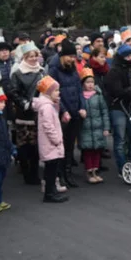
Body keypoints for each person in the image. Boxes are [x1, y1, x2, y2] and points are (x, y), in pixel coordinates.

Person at [104, 44, 131, 175]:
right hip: (118, 108)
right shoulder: (114, 72)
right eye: (127, 56)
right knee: (120, 139)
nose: (130, 58)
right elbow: (118, 91)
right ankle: (122, 167)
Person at [9, 42, 46, 186]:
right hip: (24, 114)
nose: (33, 59)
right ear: (24, 57)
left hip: (38, 113)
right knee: (24, 146)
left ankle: (35, 173)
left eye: (35, 56)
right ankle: (25, 173)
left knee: (36, 146)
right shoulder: (17, 73)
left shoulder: (41, 71)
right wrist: (25, 103)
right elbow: (13, 92)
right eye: (30, 56)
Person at [48, 39, 83, 187]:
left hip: (75, 112)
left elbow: (78, 88)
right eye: (70, 56)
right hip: (62, 114)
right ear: (63, 56)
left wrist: (82, 106)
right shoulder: (54, 69)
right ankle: (59, 175)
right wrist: (63, 110)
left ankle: (68, 173)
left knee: (70, 146)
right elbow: (53, 92)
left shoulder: (73, 68)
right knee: (60, 146)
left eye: (73, 56)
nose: (72, 59)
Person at [34, 76, 69, 203]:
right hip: (50, 144)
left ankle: (52, 191)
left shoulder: (50, 105)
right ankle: (49, 193)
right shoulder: (47, 107)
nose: (58, 93)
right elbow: (48, 126)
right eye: (55, 91)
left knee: (52, 170)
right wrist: (56, 140)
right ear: (48, 93)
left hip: (51, 144)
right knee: (50, 171)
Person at [78, 67, 111, 184]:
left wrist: (106, 127)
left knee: (97, 151)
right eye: (87, 82)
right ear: (83, 83)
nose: (90, 85)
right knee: (88, 151)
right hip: (85, 128)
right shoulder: (80, 96)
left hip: (98, 127)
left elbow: (104, 112)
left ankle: (96, 171)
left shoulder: (98, 95)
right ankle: (89, 171)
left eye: (92, 82)